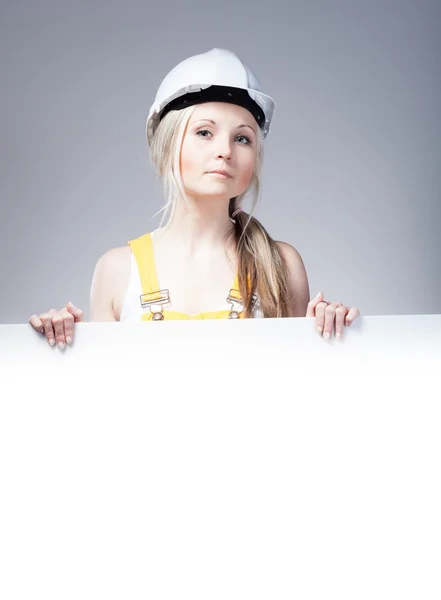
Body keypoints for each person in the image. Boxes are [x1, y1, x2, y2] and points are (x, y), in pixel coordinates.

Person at [29, 48, 360, 349]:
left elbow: (299, 388)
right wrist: (60, 346)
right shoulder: (116, 271)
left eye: (242, 138)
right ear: (168, 143)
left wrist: (331, 336)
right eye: (205, 132)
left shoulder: (281, 265)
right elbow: (102, 396)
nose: (225, 151)